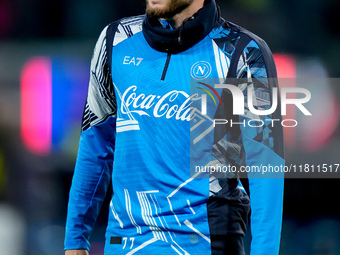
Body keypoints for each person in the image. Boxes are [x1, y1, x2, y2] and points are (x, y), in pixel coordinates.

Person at [64, 0, 285, 254]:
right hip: (124, 243)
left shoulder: (244, 52)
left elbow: (266, 168)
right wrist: (75, 240)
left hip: (204, 242)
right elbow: (96, 142)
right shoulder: (114, 40)